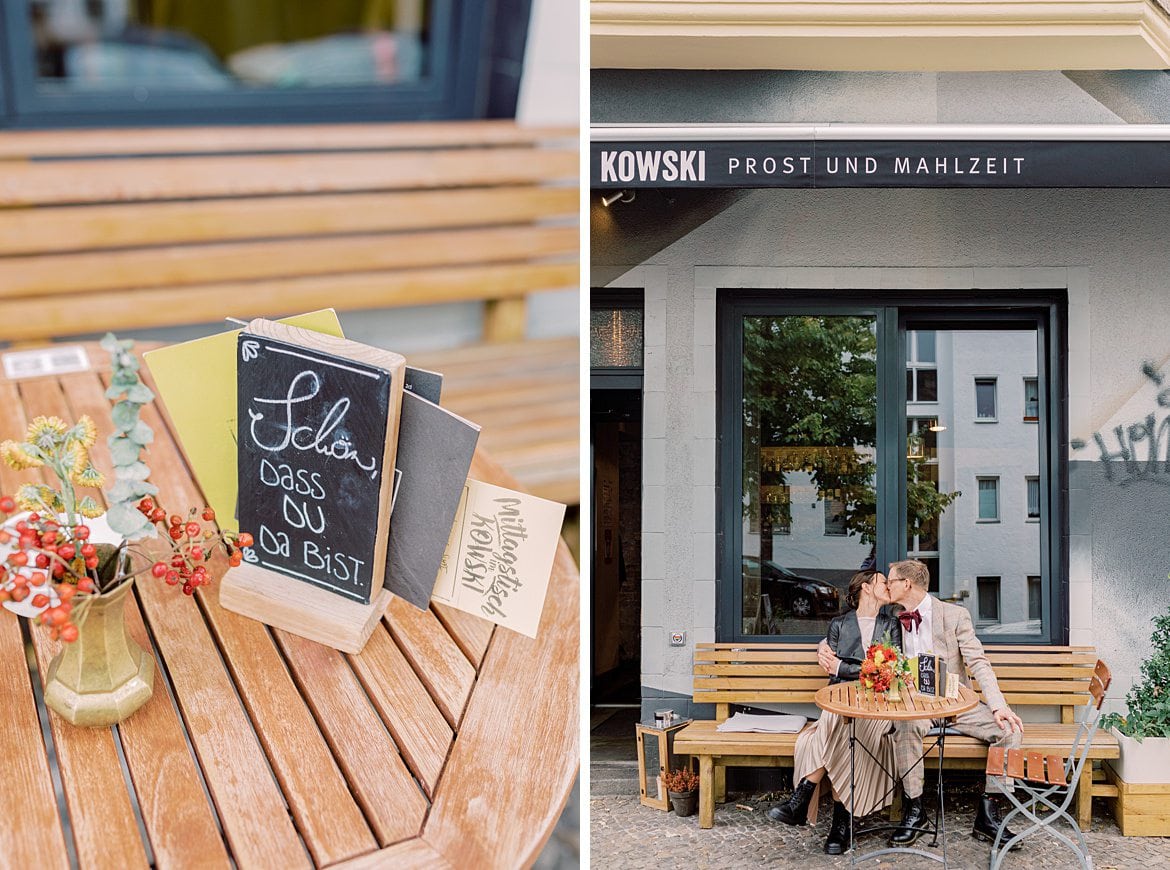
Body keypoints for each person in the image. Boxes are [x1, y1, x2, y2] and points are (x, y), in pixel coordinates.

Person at [882, 558, 1023, 847]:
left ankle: (989, 814)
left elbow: (978, 662)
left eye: (890, 580)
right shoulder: (891, 619)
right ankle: (915, 809)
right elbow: (857, 631)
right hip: (915, 706)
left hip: (957, 703)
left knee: (1010, 731)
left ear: (906, 584)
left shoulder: (954, 615)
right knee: (905, 727)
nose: (886, 585)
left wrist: (998, 705)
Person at [767, 570, 901, 854]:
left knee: (836, 726)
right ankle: (842, 825)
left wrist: (845, 667)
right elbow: (834, 670)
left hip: (878, 708)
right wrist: (853, 669)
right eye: (883, 581)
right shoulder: (839, 625)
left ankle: (802, 796)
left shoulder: (892, 624)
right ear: (866, 587)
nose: (889, 586)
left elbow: (888, 671)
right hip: (842, 703)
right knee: (840, 723)